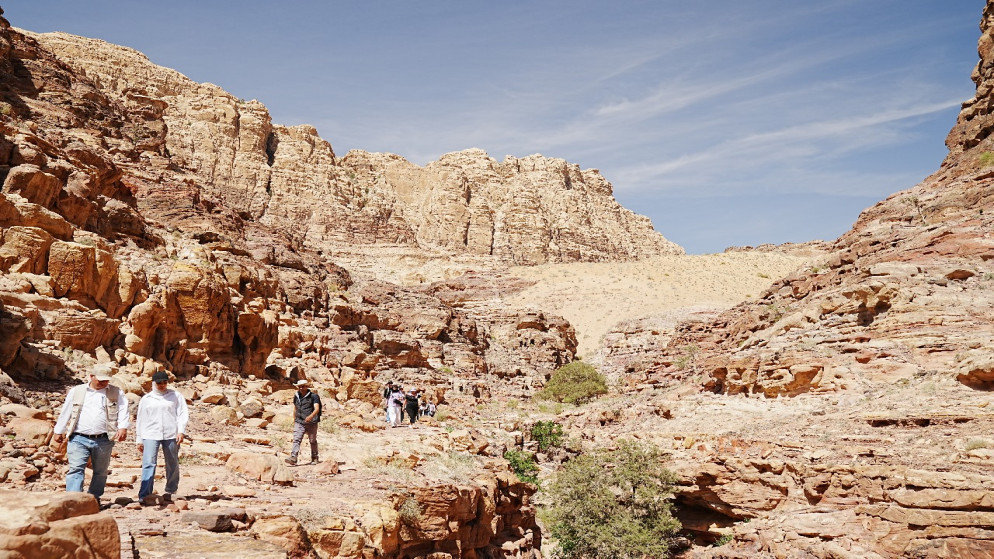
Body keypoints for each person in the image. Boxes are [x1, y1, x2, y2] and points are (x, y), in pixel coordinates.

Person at [52, 364, 129, 501]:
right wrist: (59, 430)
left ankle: (94, 499)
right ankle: (74, 500)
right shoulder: (77, 391)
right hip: (78, 438)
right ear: (91, 376)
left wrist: (123, 427)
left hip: (104, 439)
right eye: (100, 379)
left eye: (106, 380)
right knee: (76, 469)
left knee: (101, 472)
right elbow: (66, 411)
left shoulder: (116, 392)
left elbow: (123, 409)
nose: (103, 382)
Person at [134, 371, 188, 504]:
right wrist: (139, 439)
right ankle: (145, 494)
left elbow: (182, 413)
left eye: (165, 382)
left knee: (172, 462)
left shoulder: (176, 396)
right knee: (149, 463)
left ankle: (171, 491)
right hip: (150, 434)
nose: (162, 385)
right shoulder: (146, 399)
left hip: (171, 433)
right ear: (153, 383)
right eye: (159, 383)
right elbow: (141, 419)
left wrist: (181, 431)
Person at [286, 380, 321, 465]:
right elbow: (295, 407)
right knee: (296, 439)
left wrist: (311, 416)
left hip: (311, 422)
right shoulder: (296, 396)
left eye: (303, 386)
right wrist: (294, 418)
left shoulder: (314, 396)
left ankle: (314, 457)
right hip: (299, 421)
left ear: (306, 386)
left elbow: (317, 408)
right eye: (299, 387)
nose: (301, 388)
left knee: (312, 440)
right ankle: (293, 457)